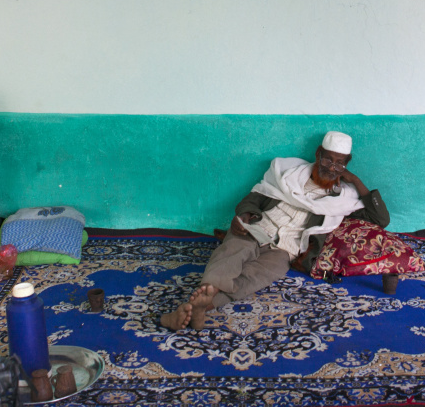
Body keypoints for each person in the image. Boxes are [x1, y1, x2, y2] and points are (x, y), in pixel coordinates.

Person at [161, 130, 389, 331]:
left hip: (284, 250)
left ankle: (195, 307)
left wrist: (355, 180)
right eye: (328, 160)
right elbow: (253, 198)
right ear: (318, 155)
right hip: (256, 229)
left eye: (339, 163)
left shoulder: (345, 197)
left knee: (253, 278)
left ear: (347, 164)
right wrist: (243, 216)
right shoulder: (288, 174)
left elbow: (381, 219)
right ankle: (203, 297)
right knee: (233, 252)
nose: (332, 167)